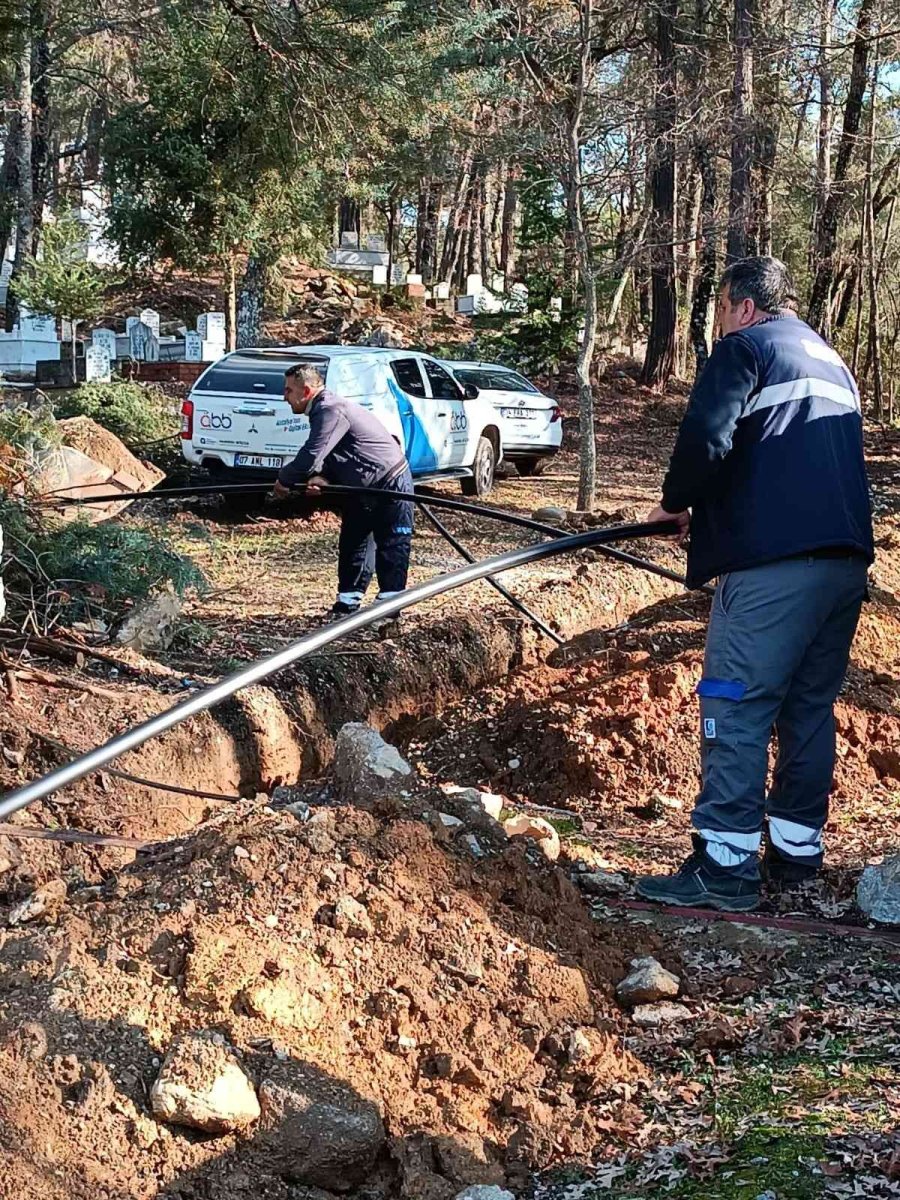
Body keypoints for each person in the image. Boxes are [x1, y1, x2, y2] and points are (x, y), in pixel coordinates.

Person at [637, 256, 874, 912]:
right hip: (844, 563)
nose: (719, 322)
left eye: (720, 309)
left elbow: (708, 436)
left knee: (734, 703)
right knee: (808, 708)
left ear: (743, 306)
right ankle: (795, 858)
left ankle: (725, 866)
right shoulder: (831, 361)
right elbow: (790, 455)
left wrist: (675, 503)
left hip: (774, 569)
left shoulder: (747, 348)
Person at [273, 364, 414, 620]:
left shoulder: (329, 409)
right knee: (354, 542)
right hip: (359, 485)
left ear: (306, 391)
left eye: (288, 390)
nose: (284, 397)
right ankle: (347, 606)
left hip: (390, 481)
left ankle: (388, 612)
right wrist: (324, 476)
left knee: (392, 545)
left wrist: (284, 479)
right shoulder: (322, 410)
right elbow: (334, 450)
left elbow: (312, 454)